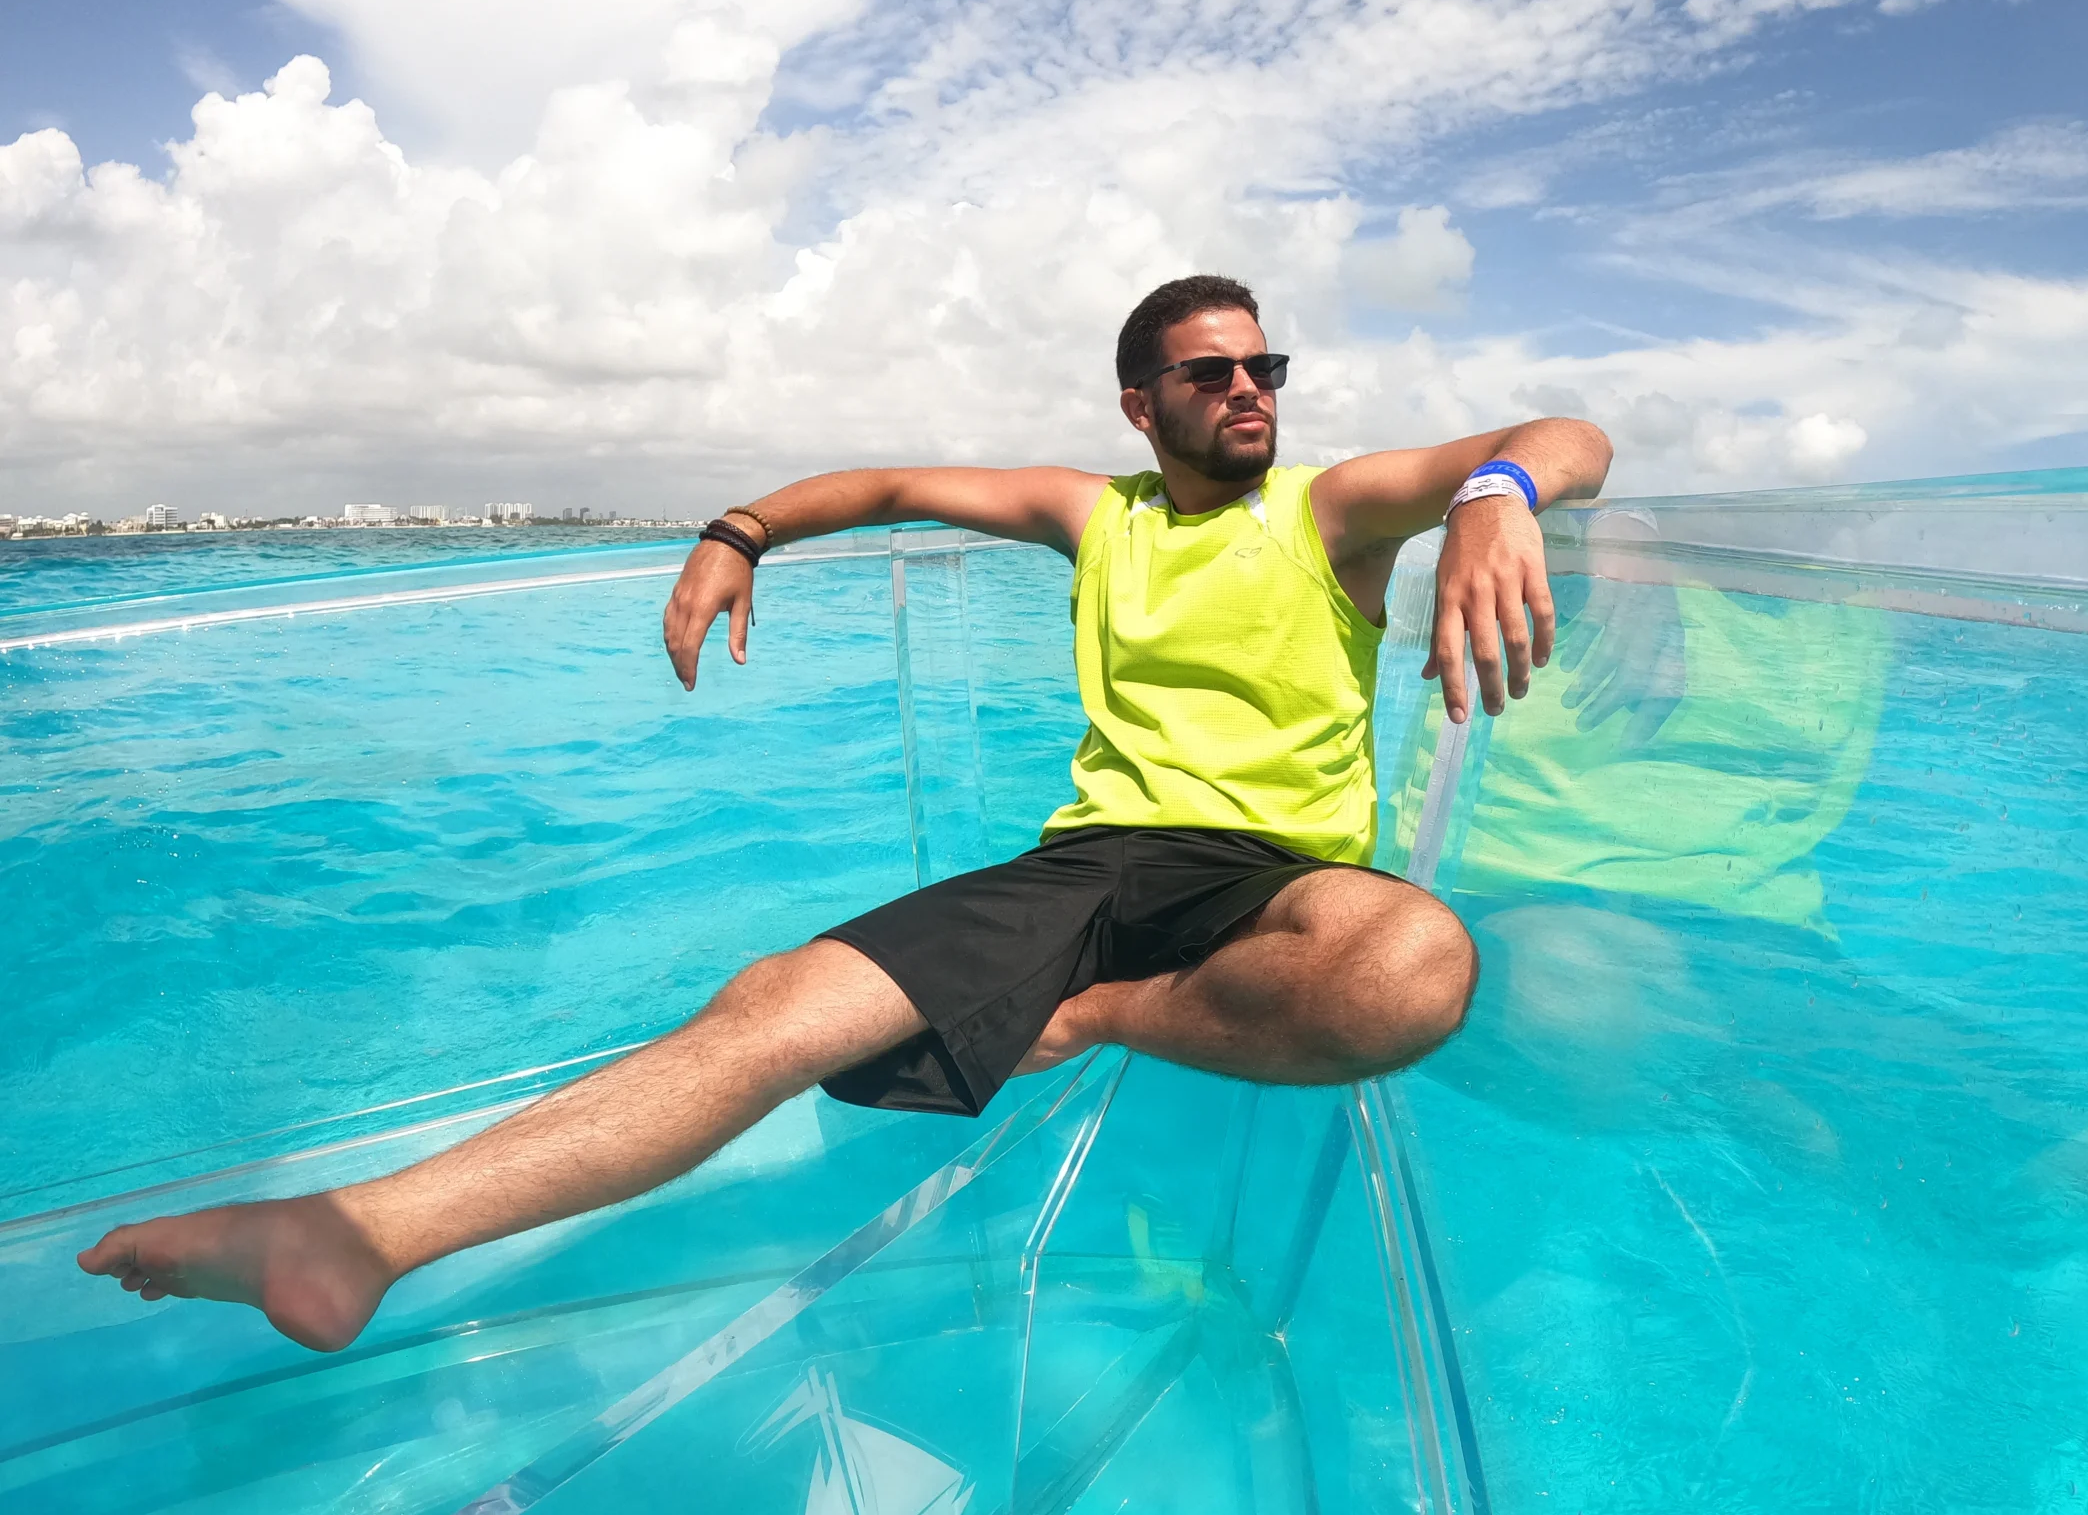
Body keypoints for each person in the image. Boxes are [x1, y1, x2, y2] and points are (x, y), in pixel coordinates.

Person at [78, 273, 1613, 1353]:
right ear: (1142, 403)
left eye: (1264, 369)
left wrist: (1494, 497)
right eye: (1211, 372)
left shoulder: (1330, 510)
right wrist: (739, 529)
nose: (1247, 392)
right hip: (1087, 861)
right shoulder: (1103, 511)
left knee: (1413, 963)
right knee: (773, 1010)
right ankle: (354, 1237)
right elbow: (886, 487)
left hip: (1278, 883)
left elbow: (1568, 437)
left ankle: (1105, 1020)